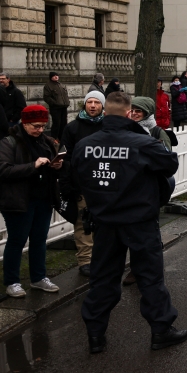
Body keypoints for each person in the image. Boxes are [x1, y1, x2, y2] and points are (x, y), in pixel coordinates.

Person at [73, 91, 186, 354]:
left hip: (104, 222)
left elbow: (79, 176)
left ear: (104, 111)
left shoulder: (85, 145)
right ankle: (160, 330)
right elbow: (169, 165)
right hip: (139, 222)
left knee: (103, 279)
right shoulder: (141, 143)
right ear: (128, 113)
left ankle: (96, 335)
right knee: (150, 278)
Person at [0, 105, 64, 298]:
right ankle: (12, 281)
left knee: (39, 240)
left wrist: (56, 166)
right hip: (18, 200)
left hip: (43, 198)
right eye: (36, 126)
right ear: (24, 122)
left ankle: (38, 278)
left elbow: (50, 170)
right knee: (17, 240)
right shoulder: (9, 142)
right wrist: (33, 165)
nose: (40, 130)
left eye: (42, 126)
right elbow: (1, 170)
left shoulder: (46, 142)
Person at [60, 90, 106, 276]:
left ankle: (101, 258)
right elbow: (65, 158)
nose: (93, 105)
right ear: (85, 104)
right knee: (83, 224)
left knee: (103, 224)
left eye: (96, 102)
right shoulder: (72, 128)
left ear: (103, 106)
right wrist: (68, 185)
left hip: (104, 185)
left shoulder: (108, 127)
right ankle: (85, 261)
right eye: (90, 102)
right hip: (82, 186)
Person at [43, 72, 70, 140]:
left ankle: (62, 138)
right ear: (51, 77)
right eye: (54, 76)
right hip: (55, 108)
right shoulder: (48, 86)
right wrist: (54, 103)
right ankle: (54, 138)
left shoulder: (60, 85)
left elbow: (65, 95)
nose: (56, 77)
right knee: (56, 124)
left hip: (63, 107)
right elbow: (46, 97)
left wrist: (67, 102)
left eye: (57, 75)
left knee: (63, 123)